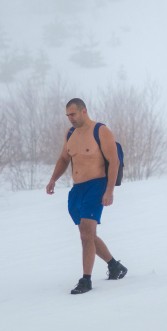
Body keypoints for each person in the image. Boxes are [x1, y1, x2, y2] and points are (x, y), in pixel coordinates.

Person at [46, 98, 128, 294]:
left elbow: (114, 162)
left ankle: (86, 280)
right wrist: (53, 179)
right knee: (88, 235)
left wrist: (109, 191)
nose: (70, 119)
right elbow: (64, 158)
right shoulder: (70, 134)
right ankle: (114, 265)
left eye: (73, 114)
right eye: (67, 115)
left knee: (85, 233)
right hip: (77, 190)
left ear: (84, 111)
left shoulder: (101, 131)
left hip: (96, 186)